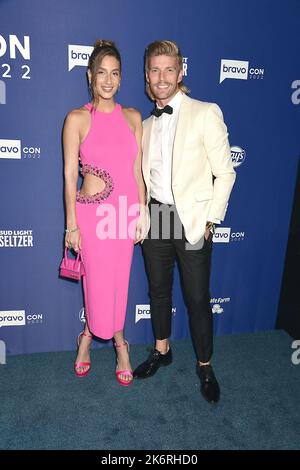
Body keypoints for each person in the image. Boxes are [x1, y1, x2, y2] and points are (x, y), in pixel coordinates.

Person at [133, 40, 236, 403]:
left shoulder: (206, 112)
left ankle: (205, 364)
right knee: (158, 291)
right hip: (157, 216)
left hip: (192, 219)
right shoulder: (144, 125)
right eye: (155, 70)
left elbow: (225, 173)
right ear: (147, 75)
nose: (162, 77)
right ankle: (162, 350)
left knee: (196, 298)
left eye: (169, 69)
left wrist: (211, 220)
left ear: (181, 72)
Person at [63, 40, 147, 386]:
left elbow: (137, 169)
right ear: (90, 76)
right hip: (93, 218)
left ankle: (116, 343)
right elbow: (69, 174)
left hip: (124, 215)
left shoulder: (133, 117)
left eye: (114, 74)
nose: (108, 80)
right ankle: (97, 340)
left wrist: (143, 210)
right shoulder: (77, 118)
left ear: (121, 77)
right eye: (102, 73)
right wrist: (71, 226)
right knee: (97, 286)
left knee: (119, 285)